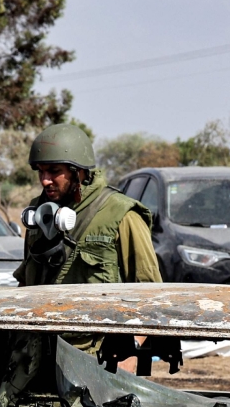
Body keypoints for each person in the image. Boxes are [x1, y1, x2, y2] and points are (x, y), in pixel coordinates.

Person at [17, 122, 161, 288]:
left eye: (54, 171)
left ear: (77, 171)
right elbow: (25, 282)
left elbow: (149, 289)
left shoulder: (123, 214)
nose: (45, 180)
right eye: (40, 171)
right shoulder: (38, 211)